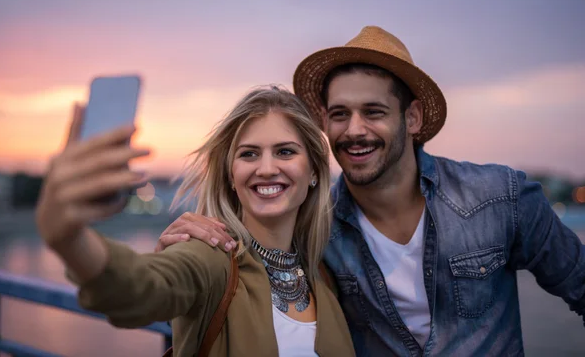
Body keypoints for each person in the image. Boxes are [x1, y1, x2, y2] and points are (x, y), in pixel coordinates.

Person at [156, 26, 585, 356]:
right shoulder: (315, 227)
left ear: (412, 118)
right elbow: (251, 270)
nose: (354, 130)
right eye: (340, 113)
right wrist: (198, 237)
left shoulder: (500, 197)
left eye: (374, 112)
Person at [35, 86, 356, 357]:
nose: (267, 168)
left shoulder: (323, 276)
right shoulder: (212, 255)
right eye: (249, 154)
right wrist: (69, 238)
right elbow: (136, 289)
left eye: (285, 152)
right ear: (231, 175)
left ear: (314, 171)